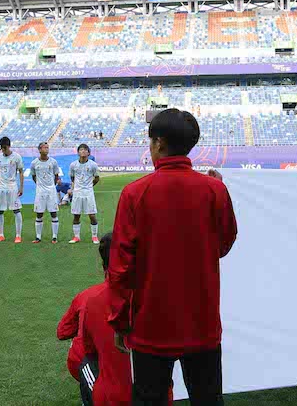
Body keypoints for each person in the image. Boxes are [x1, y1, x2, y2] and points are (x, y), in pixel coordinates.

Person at [107, 108, 238, 405]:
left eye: (150, 141)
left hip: (150, 326)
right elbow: (224, 243)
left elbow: (120, 267)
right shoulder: (214, 190)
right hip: (201, 323)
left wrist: (118, 321)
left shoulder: (134, 193)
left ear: (160, 143)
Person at [82, 233, 175, 405]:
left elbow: (89, 351)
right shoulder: (160, 297)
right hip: (156, 395)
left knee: (86, 365)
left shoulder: (93, 302)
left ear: (104, 267)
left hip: (111, 397)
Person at [56, 258, 107, 389]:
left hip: (84, 361)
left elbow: (63, 332)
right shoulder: (140, 296)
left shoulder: (87, 295)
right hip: (95, 362)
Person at [0, 137, 24, 243]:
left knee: (16, 210)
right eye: (1, 148)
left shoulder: (16, 157)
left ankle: (18, 235)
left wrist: (21, 187)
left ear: (9, 146)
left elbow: (21, 172)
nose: (3, 150)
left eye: (5, 148)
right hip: (1, 188)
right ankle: (1, 235)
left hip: (12, 187)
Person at [68, 143, 101, 245]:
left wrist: (89, 186)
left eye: (85, 150)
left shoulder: (93, 165)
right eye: (81, 150)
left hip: (88, 193)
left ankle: (94, 236)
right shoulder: (73, 165)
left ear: (88, 152)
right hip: (77, 193)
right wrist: (76, 187)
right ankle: (76, 237)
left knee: (91, 215)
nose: (83, 151)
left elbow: (97, 178)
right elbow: (72, 178)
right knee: (76, 215)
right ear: (78, 152)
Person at [30, 142, 60, 244]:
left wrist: (52, 185)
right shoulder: (34, 163)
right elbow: (33, 176)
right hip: (40, 191)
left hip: (51, 190)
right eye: (44, 148)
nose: (46, 149)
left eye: (47, 147)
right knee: (39, 214)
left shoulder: (53, 162)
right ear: (39, 150)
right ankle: (38, 237)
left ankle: (54, 236)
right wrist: (40, 185)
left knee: (53, 213)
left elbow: (56, 176)